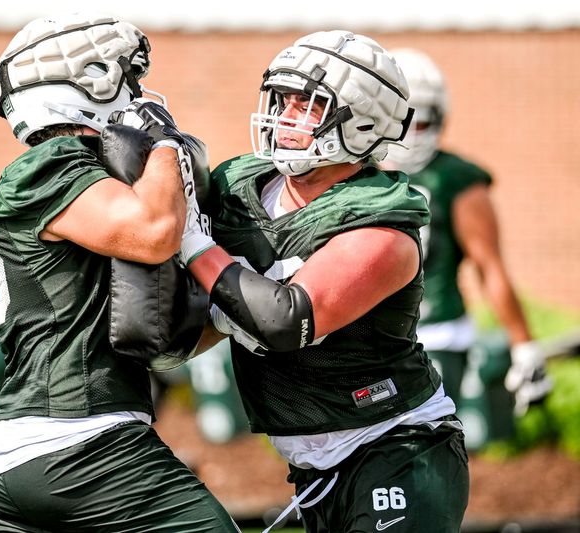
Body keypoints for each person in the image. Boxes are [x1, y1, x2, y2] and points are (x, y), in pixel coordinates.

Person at [178, 30, 469, 532]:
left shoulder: (385, 223)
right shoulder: (239, 187)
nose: (285, 116)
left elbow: (284, 320)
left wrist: (193, 245)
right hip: (312, 465)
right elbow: (205, 311)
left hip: (395, 445)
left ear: (360, 120)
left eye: (307, 105)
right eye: (282, 100)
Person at [0, 14, 239, 533]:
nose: (136, 93)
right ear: (82, 83)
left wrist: (234, 314)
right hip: (82, 445)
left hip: (32, 452)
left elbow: (156, 343)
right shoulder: (50, 162)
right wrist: (164, 141)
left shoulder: (81, 185)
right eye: (125, 78)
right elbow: (155, 229)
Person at [383, 48, 552, 416]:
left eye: (421, 122)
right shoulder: (353, 171)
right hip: (365, 337)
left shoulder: (455, 178)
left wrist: (523, 344)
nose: (409, 135)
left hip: (436, 333)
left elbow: (488, 264)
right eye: (399, 121)